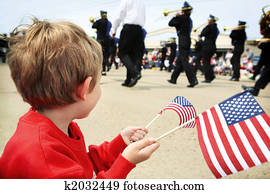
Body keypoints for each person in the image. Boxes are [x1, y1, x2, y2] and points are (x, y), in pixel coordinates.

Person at [0, 18, 159, 178]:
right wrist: (125, 162)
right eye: (99, 83)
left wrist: (119, 144)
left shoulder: (56, 126)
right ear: (84, 89)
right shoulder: (46, 160)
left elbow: (83, 167)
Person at [111, 0, 145, 87]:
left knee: (122, 53)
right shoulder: (141, 2)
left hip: (129, 28)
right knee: (132, 56)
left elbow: (119, 15)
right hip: (139, 30)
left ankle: (135, 73)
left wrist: (114, 29)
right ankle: (128, 80)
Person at [167, 1, 198, 88]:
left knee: (184, 61)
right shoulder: (189, 19)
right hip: (187, 39)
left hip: (183, 40)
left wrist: (174, 16)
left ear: (183, 10)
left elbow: (170, 23)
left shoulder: (181, 17)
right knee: (180, 61)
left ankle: (193, 80)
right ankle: (173, 78)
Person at [199, 14, 219, 83]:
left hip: (207, 46)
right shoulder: (216, 28)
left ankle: (208, 77)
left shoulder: (209, 27)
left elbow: (202, 33)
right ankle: (211, 75)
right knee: (207, 62)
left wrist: (206, 26)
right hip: (212, 46)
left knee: (206, 62)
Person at [92, 10, 112, 76]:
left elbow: (93, 26)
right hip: (107, 40)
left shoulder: (99, 21)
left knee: (100, 54)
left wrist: (93, 21)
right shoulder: (109, 23)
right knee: (105, 55)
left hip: (100, 40)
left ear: (101, 15)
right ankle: (106, 67)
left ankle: (101, 70)